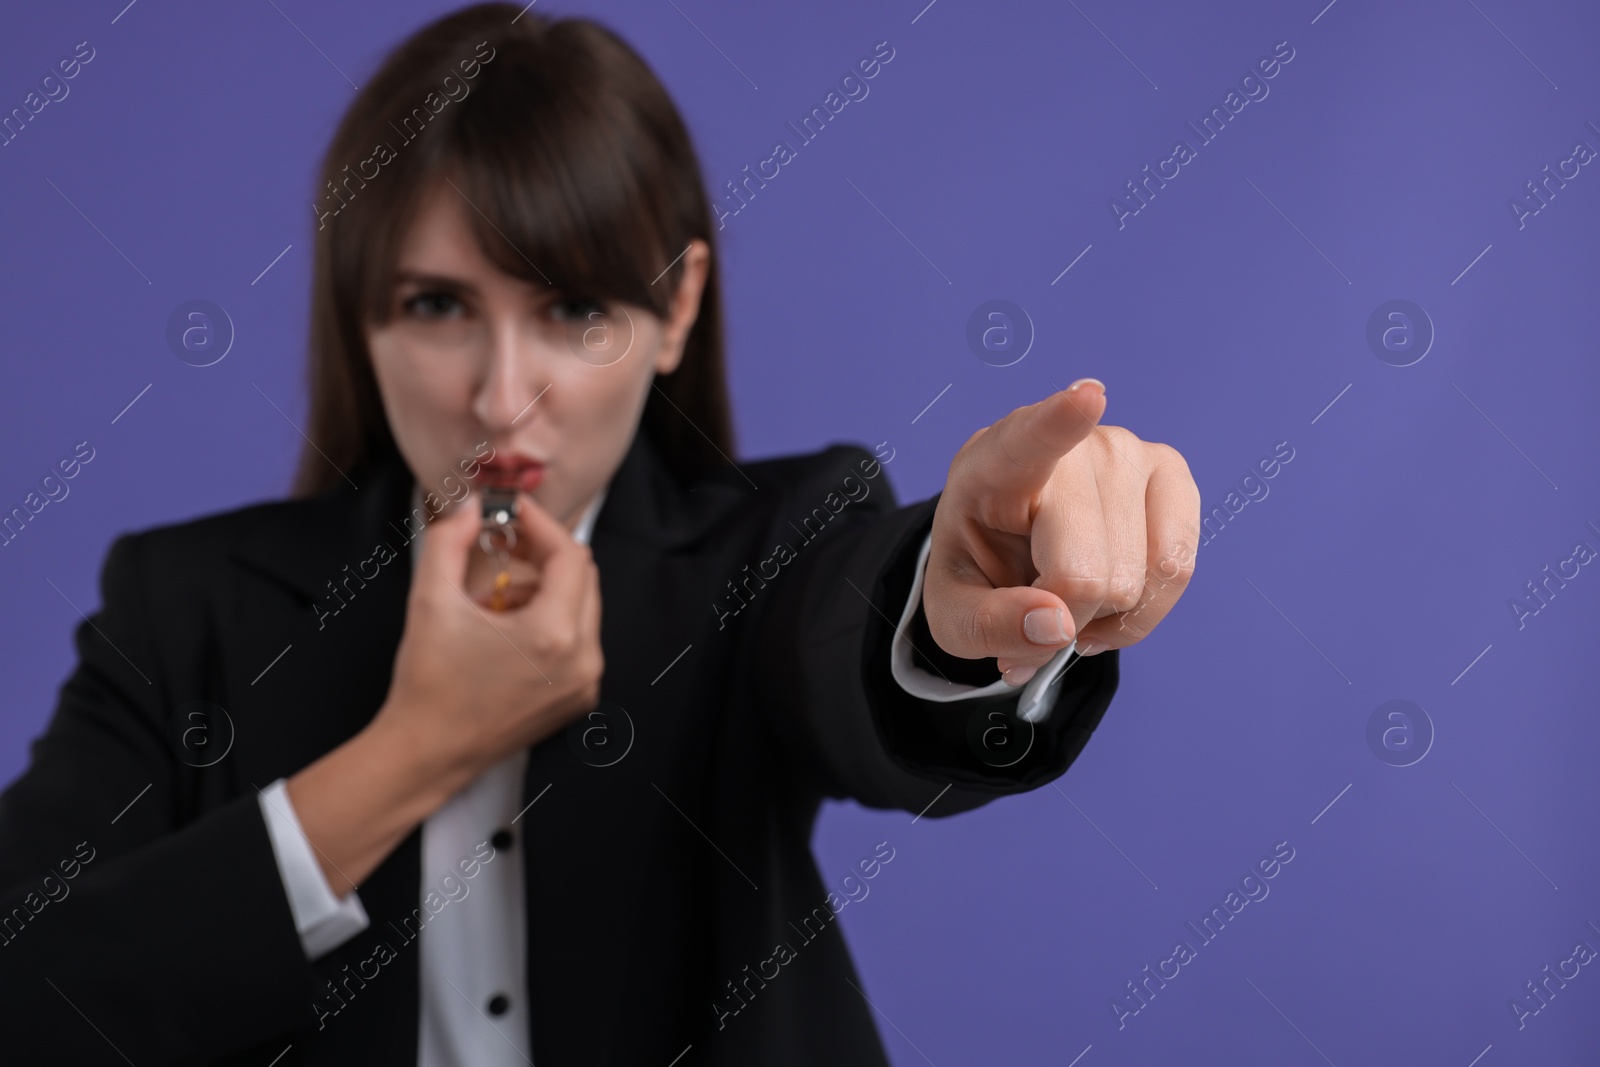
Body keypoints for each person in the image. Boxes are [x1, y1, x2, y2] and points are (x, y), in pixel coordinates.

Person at [0, 4, 1199, 1065]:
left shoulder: (769, 548)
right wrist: (417, 748)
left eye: (574, 308)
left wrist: (951, 603)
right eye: (436, 305)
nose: (500, 390)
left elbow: (853, 634)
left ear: (674, 307)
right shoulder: (184, 603)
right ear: (359, 312)